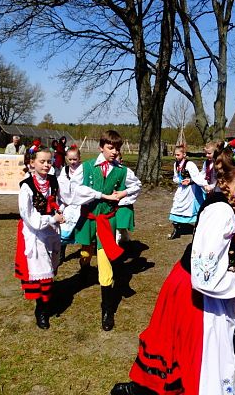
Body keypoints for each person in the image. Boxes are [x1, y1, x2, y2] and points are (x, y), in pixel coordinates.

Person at [110, 138, 235, 395]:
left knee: (197, 362)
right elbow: (205, 277)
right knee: (203, 367)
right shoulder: (221, 210)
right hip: (199, 297)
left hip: (206, 293)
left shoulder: (233, 203)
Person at [68, 130, 142, 331]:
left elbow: (137, 186)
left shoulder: (121, 171)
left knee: (105, 264)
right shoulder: (86, 167)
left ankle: (107, 310)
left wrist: (123, 193)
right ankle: (84, 268)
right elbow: (75, 192)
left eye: (117, 148)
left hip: (106, 222)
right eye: (110, 147)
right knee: (85, 250)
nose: (114, 151)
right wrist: (102, 195)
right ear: (101, 147)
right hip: (88, 219)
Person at [14, 146, 65, 329]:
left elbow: (60, 200)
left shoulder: (53, 180)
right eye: (42, 161)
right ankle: (41, 310)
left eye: (49, 161)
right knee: (41, 269)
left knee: (52, 265)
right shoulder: (26, 186)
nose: (46, 165)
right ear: (31, 163)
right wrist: (51, 218)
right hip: (35, 232)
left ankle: (47, 299)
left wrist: (60, 212)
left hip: (51, 229)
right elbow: (28, 216)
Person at [168, 145, 208, 240]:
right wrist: (179, 181)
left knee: (193, 209)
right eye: (175, 155)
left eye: (178, 154)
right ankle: (176, 229)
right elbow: (175, 177)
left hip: (191, 190)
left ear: (184, 154)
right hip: (182, 188)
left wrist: (190, 181)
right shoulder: (176, 164)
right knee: (176, 206)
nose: (176, 156)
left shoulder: (190, 164)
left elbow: (197, 177)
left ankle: (197, 229)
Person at [56, 145, 83, 263]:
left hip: (80, 203)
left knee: (81, 228)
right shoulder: (65, 170)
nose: (72, 162)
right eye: (70, 159)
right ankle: (61, 252)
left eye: (75, 159)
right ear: (67, 158)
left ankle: (85, 252)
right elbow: (61, 185)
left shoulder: (83, 169)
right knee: (64, 228)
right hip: (67, 203)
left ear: (79, 158)